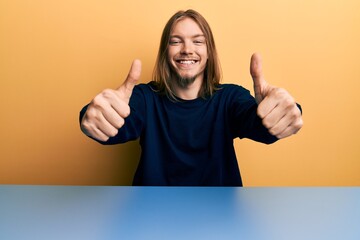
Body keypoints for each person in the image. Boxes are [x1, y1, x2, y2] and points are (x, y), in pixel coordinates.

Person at [79, 9, 303, 186]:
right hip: (153, 217)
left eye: (198, 41)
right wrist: (93, 116)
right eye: (176, 41)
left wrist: (284, 111)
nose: (187, 49)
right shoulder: (146, 98)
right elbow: (116, 123)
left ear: (209, 52)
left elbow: (260, 124)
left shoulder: (229, 98)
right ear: (165, 52)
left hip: (219, 218)